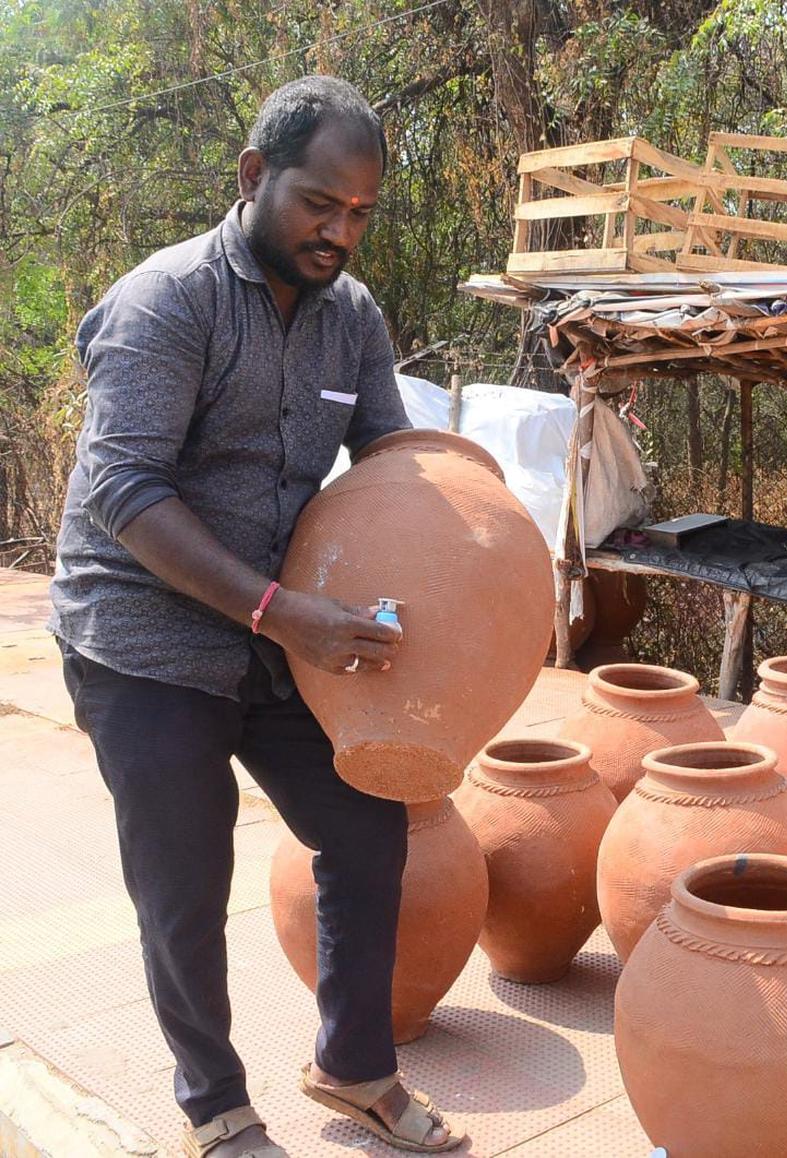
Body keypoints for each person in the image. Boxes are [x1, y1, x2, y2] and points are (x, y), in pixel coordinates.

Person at [49, 77, 461, 1156]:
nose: (341, 232)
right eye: (321, 204)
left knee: (367, 826)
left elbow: (391, 463)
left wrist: (477, 553)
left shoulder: (354, 319)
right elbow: (126, 494)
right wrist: (288, 614)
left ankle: (353, 1066)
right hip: (142, 633)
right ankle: (214, 1104)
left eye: (362, 212)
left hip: (282, 635)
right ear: (252, 179)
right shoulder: (167, 301)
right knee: (186, 878)